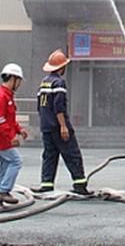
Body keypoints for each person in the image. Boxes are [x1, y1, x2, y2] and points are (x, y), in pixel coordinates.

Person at [33, 50, 91, 196]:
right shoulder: (59, 82)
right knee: (72, 154)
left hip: (46, 126)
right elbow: (59, 107)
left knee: (49, 156)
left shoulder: (44, 82)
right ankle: (80, 185)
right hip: (58, 126)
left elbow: (39, 106)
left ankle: (46, 184)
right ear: (61, 67)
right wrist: (63, 126)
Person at [0, 63, 29, 208]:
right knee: (16, 161)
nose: (20, 84)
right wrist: (11, 137)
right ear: (13, 78)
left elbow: (9, 119)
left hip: (1, 138)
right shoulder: (2, 97)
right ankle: (3, 191)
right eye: (19, 81)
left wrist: (19, 130)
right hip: (1, 139)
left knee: (5, 167)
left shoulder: (6, 96)